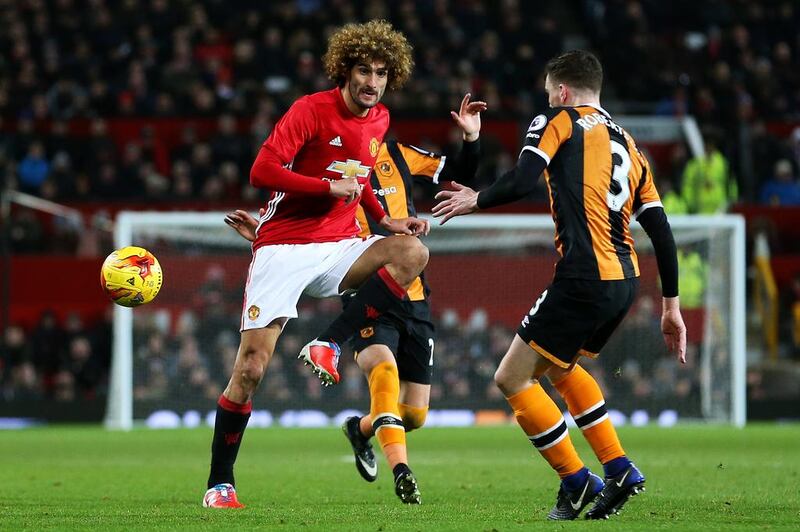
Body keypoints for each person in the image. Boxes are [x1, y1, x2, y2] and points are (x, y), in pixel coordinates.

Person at [432, 50, 687, 520]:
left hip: (584, 276)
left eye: (551, 93)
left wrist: (477, 199)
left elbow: (525, 178)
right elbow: (663, 232)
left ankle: (577, 478)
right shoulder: (631, 147)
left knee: (510, 377)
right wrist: (671, 306)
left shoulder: (558, 120)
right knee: (560, 367)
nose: (548, 99)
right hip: (624, 281)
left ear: (563, 92)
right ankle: (618, 469)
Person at [203, 20, 430, 509]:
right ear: (344, 71)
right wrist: (327, 189)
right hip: (283, 247)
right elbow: (262, 171)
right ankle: (220, 483)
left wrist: (385, 221)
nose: (373, 82)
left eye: (382, 74)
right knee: (250, 371)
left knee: (413, 252)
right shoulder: (309, 110)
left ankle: (329, 341)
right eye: (364, 71)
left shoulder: (381, 119)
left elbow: (362, 175)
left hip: (341, 244)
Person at [225, 93, 487, 506]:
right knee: (378, 372)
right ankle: (399, 467)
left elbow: (458, 174)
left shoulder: (396, 151)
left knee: (414, 414)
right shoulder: (320, 136)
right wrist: (273, 233)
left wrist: (470, 139)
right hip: (359, 281)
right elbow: (282, 183)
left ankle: (359, 429)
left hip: (409, 289)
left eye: (381, 75)